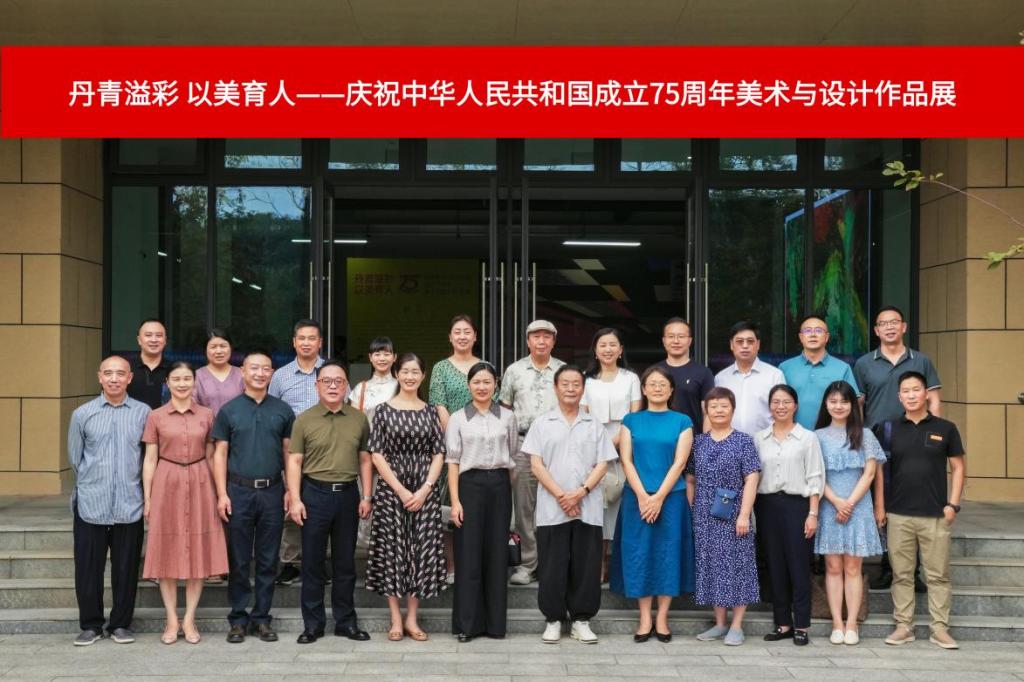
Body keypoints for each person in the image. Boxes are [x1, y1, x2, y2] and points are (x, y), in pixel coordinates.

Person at [524, 365, 617, 645]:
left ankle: (581, 620)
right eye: (565, 383)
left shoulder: (594, 424)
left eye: (576, 384)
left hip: (587, 507)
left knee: (586, 565)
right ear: (555, 388)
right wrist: (562, 496)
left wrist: (580, 492)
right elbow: (536, 465)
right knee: (552, 564)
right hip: (553, 509)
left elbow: (603, 463)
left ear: (582, 389)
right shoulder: (542, 423)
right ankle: (553, 619)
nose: (570, 388)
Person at [853, 306, 942, 590]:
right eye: (883, 323)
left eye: (894, 322)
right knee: (884, 504)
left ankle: (913, 571)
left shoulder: (921, 360)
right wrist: (858, 438)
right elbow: (859, 405)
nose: (889, 327)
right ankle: (887, 566)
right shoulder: (864, 364)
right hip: (878, 441)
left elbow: (933, 399)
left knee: (913, 503)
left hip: (916, 439)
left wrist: (933, 433)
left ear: (903, 327)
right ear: (876, 330)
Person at [141, 361, 228, 645]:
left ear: (194, 382)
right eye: (176, 379)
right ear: (167, 382)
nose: (182, 384)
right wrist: (148, 498)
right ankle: (171, 619)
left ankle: (189, 618)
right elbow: (150, 459)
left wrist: (219, 492)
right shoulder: (155, 416)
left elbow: (212, 454)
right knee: (166, 550)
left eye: (187, 379)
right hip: (166, 480)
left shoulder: (207, 414)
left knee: (197, 551)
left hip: (200, 479)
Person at [286, 360, 373, 644]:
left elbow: (365, 459)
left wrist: (367, 496)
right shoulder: (304, 419)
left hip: (348, 495)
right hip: (314, 494)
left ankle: (346, 622)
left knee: (345, 563)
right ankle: (313, 625)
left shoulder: (358, 419)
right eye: (327, 381)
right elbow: (294, 461)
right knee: (312, 563)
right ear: (317, 386)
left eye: (339, 381)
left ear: (347, 385)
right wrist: (295, 499)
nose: (333, 386)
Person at [212, 350, 295, 644]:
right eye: (254, 368)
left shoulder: (282, 410)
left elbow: (289, 453)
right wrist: (221, 494)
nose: (260, 373)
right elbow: (219, 454)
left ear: (272, 373)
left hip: (272, 491)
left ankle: (261, 618)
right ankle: (237, 619)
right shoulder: (229, 410)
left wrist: (291, 490)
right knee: (238, 559)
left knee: (268, 558)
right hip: (238, 491)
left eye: (265, 369)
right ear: (243, 372)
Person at [68, 355, 151, 646]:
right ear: (99, 377)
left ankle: (120, 624)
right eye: (108, 373)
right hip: (92, 503)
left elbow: (147, 457)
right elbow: (75, 459)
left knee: (126, 568)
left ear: (130, 378)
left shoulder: (143, 413)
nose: (114, 378)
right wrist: (92, 485)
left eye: (120, 373)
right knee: (88, 568)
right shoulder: (83, 414)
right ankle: (91, 625)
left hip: (129, 503)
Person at [609, 365, 695, 644]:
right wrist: (644, 496)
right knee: (640, 553)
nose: (657, 388)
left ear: (671, 390)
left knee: (668, 554)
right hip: (636, 497)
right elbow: (626, 460)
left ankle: (663, 618)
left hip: (672, 499)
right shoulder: (630, 420)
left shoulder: (682, 421)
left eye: (663, 384)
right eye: (652, 384)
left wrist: (657, 498)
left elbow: (680, 463)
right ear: (644, 390)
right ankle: (645, 617)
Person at [365, 353, 447, 642]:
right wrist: (400, 490)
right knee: (393, 551)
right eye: (405, 371)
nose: (410, 376)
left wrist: (425, 489)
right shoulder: (382, 411)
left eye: (415, 372)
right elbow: (376, 454)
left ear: (423, 376)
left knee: (420, 551)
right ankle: (395, 618)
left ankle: (412, 617)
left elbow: (439, 453)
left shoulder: (431, 412)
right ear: (397, 374)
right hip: (392, 491)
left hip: (425, 491)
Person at [881, 371, 966, 650]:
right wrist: (881, 507)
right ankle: (903, 626)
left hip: (935, 515)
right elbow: (880, 471)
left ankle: (940, 628)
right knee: (902, 574)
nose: (911, 395)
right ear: (899, 396)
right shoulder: (889, 429)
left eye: (916, 389)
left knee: (937, 575)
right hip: (899, 514)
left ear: (926, 394)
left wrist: (953, 505)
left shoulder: (946, 428)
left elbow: (958, 467)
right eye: (905, 391)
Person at [445, 362, 517, 642]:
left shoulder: (508, 417)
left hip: (499, 485)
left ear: (496, 384)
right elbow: (452, 461)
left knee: (497, 554)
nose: (482, 387)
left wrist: (507, 494)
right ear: (468, 385)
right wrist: (455, 501)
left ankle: (495, 625)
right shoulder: (457, 418)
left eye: (487, 382)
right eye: (476, 382)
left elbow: (512, 454)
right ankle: (467, 625)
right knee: (469, 554)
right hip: (469, 486)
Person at [814, 380, 886, 646]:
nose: (838, 406)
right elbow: (815, 474)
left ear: (852, 405)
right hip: (829, 506)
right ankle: (837, 623)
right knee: (833, 567)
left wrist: (849, 504)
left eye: (844, 401)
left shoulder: (865, 435)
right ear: (826, 404)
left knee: (854, 568)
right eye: (833, 401)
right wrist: (836, 501)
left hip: (858, 508)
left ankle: (852, 623)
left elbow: (870, 473)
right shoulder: (817, 436)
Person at [753, 384, 825, 647]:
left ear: (795, 406)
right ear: (769, 406)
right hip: (766, 505)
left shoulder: (807, 438)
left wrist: (813, 513)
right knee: (775, 565)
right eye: (775, 402)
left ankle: (802, 624)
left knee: (798, 564)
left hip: (798, 506)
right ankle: (782, 623)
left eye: (786, 402)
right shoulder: (759, 438)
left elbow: (815, 477)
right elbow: (753, 476)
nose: (780, 406)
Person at [692, 387, 761, 647]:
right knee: (711, 566)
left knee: (738, 566)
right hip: (704, 515)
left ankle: (736, 625)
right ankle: (720, 623)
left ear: (732, 409)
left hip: (734, 515)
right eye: (714, 406)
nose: (719, 410)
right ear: (706, 410)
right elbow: (690, 479)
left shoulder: (743, 441)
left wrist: (744, 514)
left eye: (724, 406)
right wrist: (692, 510)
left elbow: (752, 478)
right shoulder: (698, 442)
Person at [499, 319, 565, 586]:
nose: (541, 341)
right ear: (528, 341)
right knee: (524, 506)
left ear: (554, 341)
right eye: (536, 336)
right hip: (523, 445)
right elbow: (504, 410)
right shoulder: (514, 371)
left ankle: (551, 563)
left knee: (556, 504)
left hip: (556, 447)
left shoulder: (563, 370)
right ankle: (527, 564)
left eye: (547, 336)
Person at [581, 327, 641, 578]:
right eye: (602, 345)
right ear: (595, 351)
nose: (607, 349)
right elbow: (582, 415)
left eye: (612, 344)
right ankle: (598, 565)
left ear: (621, 350)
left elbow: (634, 415)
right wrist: (600, 448)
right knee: (597, 507)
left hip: (623, 447)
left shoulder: (631, 379)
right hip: (592, 449)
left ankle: (617, 566)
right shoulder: (586, 379)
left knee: (620, 507)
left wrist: (614, 444)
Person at [269, 319, 325, 586]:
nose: (306, 343)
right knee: (292, 500)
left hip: (326, 450)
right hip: (291, 450)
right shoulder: (280, 376)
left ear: (320, 342)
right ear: (294, 342)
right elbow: (272, 412)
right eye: (301, 338)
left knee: (323, 507)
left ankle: (319, 562)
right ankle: (290, 562)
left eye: (311, 338)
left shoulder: (330, 371)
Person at [779, 315, 861, 430]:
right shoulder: (785, 367)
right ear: (801, 337)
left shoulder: (843, 368)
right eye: (807, 331)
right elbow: (776, 404)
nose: (813, 334)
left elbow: (854, 405)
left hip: (832, 436)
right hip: (793, 436)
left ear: (827, 337)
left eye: (818, 330)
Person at [714, 321, 786, 436]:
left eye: (750, 341)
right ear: (731, 345)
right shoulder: (721, 378)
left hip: (766, 443)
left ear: (758, 344)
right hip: (729, 443)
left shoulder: (774, 376)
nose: (745, 346)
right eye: (739, 341)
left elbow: (783, 413)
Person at [656, 317, 714, 433]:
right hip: (658, 438)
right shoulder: (654, 372)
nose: (676, 341)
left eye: (681, 336)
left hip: (693, 438)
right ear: (664, 340)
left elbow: (708, 412)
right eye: (671, 336)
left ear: (689, 341)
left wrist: (705, 441)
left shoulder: (703, 372)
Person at [428, 314, 480, 429]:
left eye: (467, 332)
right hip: (450, 434)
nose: (462, 337)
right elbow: (439, 405)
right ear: (450, 337)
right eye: (457, 332)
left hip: (483, 433)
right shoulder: (440, 368)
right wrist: (454, 434)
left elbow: (493, 403)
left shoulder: (485, 367)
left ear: (475, 336)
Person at [194, 328, 245, 417]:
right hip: (206, 425)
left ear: (230, 348)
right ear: (205, 350)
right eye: (213, 347)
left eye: (223, 346)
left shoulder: (242, 374)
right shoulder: (196, 376)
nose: (219, 351)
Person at [347, 336, 398, 422]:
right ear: (370, 357)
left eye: (386, 354)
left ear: (394, 357)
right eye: (377, 354)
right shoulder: (360, 388)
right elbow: (355, 423)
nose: (382, 359)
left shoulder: (400, 387)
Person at [128, 319, 170, 409]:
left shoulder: (174, 370)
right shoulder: (126, 369)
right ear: (139, 340)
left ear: (165, 340)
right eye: (148, 335)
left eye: (159, 335)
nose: (154, 340)